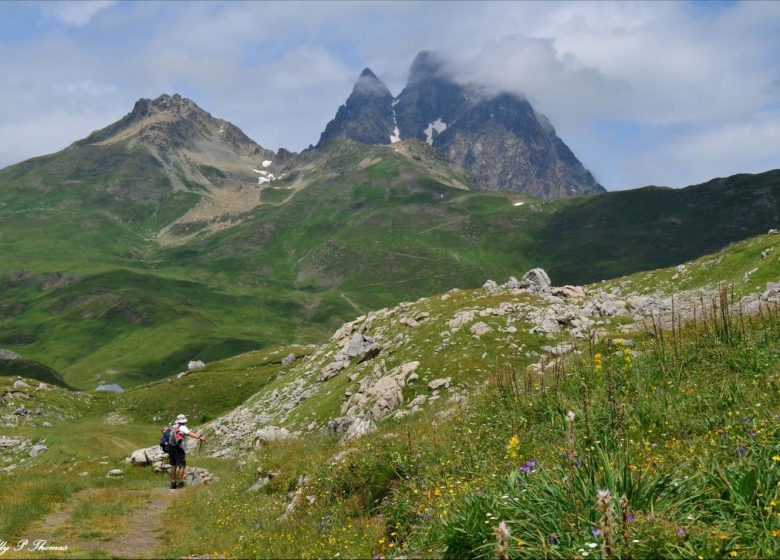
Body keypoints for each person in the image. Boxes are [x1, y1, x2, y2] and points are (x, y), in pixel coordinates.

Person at [169, 413, 205, 489]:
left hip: (171, 448)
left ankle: (173, 483)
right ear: (184, 421)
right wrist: (199, 437)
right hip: (179, 449)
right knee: (182, 466)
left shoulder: (173, 426)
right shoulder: (182, 427)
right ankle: (180, 483)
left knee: (173, 465)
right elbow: (190, 433)